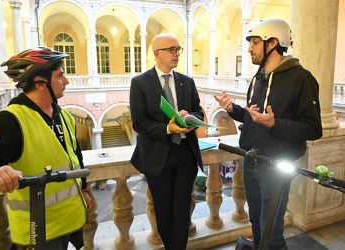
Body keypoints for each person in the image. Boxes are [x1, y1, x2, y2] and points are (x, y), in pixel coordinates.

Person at [214, 18, 322, 249]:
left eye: (254, 42)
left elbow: (313, 128)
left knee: (271, 231)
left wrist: (275, 124)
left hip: (275, 167)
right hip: (251, 160)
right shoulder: (259, 77)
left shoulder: (302, 78)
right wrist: (233, 110)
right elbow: (254, 119)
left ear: (273, 42)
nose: (249, 48)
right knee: (256, 225)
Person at [0, 47, 92, 250]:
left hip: (71, 220)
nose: (67, 81)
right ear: (40, 82)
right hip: (38, 232)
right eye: (60, 75)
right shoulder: (11, 119)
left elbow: (75, 157)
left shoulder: (63, 115)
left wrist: (85, 189)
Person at [129, 33, 204, 250]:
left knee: (182, 211)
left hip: (185, 155)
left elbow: (198, 111)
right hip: (158, 157)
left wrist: (191, 118)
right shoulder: (140, 83)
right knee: (163, 211)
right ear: (156, 53)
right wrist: (167, 128)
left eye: (178, 49)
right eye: (171, 49)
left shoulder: (186, 82)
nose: (177, 53)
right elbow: (139, 123)